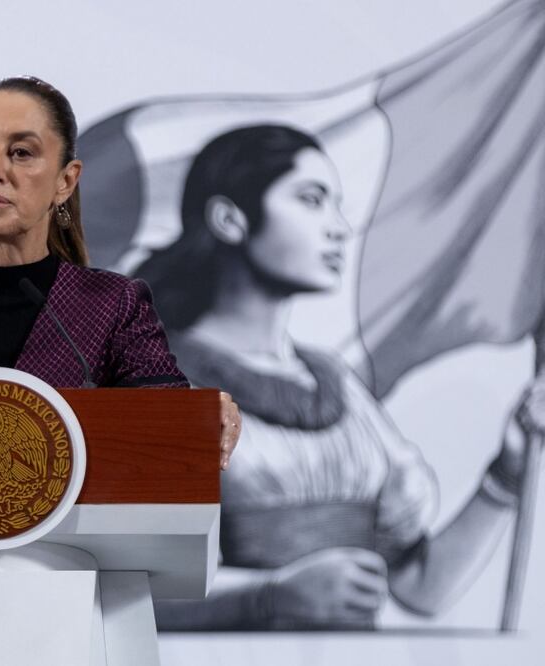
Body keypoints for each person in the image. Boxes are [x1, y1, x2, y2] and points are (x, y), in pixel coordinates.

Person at [137, 124, 545, 630]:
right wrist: (268, 598)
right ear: (229, 219)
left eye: (336, 204)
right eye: (311, 200)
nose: (338, 227)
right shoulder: (157, 379)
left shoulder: (340, 386)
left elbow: (421, 589)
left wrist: (506, 475)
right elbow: (129, 593)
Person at [0, 76, 241, 468]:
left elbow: (168, 421)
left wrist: (203, 414)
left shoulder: (115, 308)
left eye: (21, 152)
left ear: (65, 181)